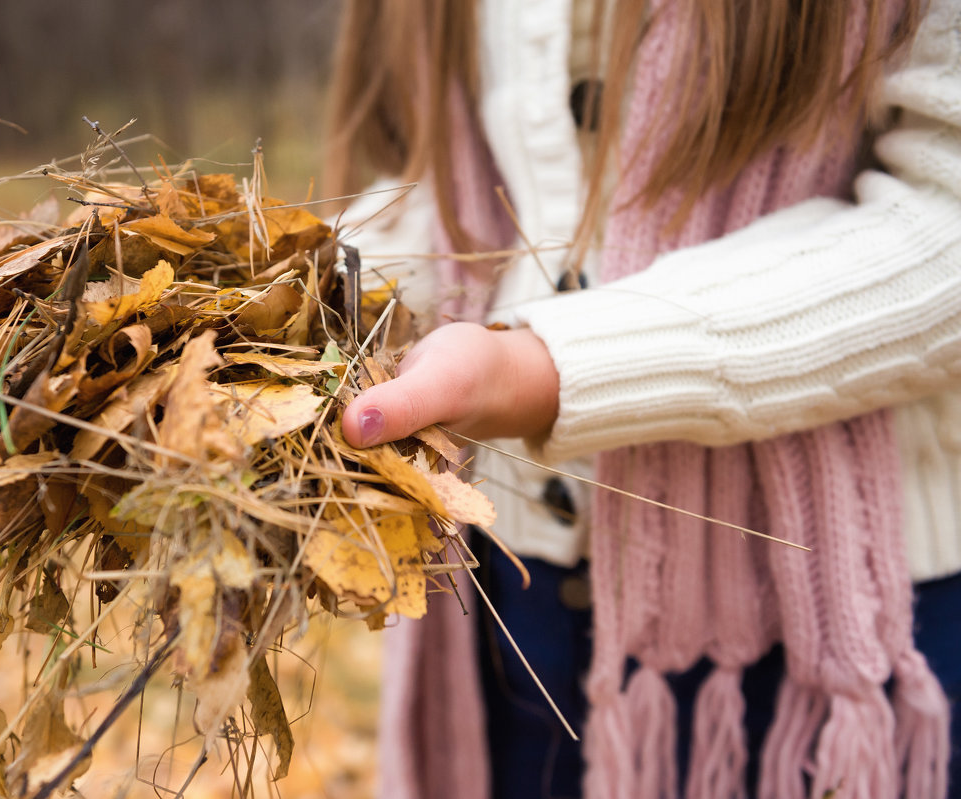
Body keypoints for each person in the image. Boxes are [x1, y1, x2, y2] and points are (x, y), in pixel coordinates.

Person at [325, 1, 961, 797]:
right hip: (506, 606)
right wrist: (275, 320)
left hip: (823, 624)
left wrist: (544, 366)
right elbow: (453, 188)